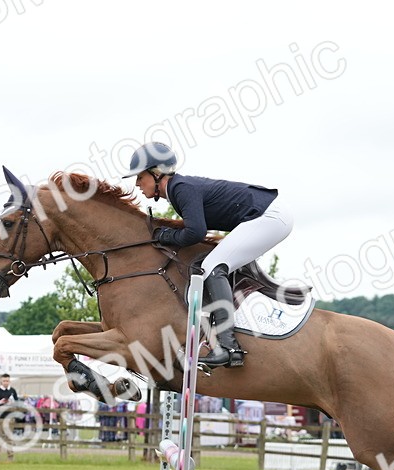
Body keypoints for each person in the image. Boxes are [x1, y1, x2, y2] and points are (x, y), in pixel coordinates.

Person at [122, 141, 293, 370]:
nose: (137, 184)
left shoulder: (180, 187)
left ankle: (227, 347)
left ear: (156, 173)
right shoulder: (177, 190)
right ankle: (224, 333)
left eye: (140, 177)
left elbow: (195, 232)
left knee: (212, 266)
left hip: (270, 217)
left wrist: (165, 236)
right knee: (208, 264)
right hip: (267, 216)